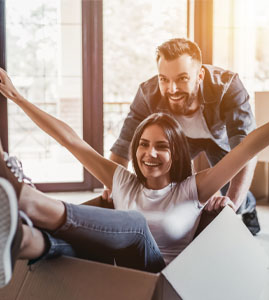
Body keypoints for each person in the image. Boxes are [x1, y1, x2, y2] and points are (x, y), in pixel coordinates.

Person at [0, 68, 269, 289]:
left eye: (161, 146)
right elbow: (71, 140)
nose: (149, 154)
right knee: (63, 246)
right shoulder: (122, 180)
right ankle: (20, 239)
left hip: (162, 282)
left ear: (177, 153)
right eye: (143, 144)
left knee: (135, 224)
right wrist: (16, 97)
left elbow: (251, 145)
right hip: (120, 274)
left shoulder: (194, 188)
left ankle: (27, 198)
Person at [106, 38, 259, 234]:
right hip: (182, 140)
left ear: (200, 75)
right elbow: (123, 145)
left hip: (219, 139)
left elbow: (246, 149)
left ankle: (249, 207)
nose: (172, 89)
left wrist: (232, 206)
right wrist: (112, 188)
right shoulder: (147, 93)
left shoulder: (229, 86)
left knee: (230, 188)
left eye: (182, 78)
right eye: (164, 79)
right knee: (172, 182)